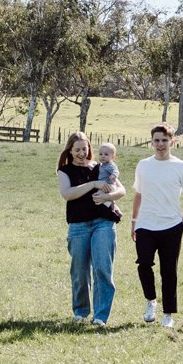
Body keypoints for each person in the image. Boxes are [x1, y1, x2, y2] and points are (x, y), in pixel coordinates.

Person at [129, 123, 183, 329]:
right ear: (151, 142)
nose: (160, 144)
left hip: (171, 226)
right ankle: (151, 301)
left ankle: (168, 314)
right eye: (156, 140)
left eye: (164, 140)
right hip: (145, 224)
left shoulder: (181, 166)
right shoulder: (143, 165)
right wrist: (134, 221)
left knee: (169, 271)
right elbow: (138, 195)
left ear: (172, 142)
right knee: (143, 264)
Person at [55, 130, 121, 326]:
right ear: (70, 151)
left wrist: (108, 197)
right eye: (77, 150)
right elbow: (67, 194)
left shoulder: (101, 167)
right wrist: (93, 184)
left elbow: (122, 190)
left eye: (85, 149)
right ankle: (80, 312)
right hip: (78, 225)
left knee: (102, 268)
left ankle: (100, 316)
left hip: (103, 222)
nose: (82, 153)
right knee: (79, 270)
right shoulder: (64, 171)